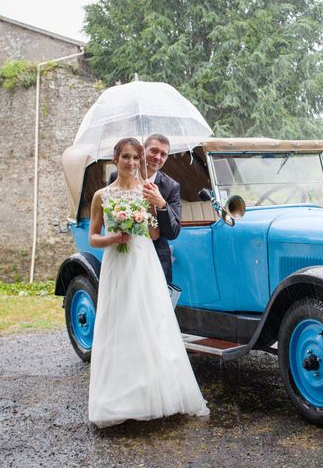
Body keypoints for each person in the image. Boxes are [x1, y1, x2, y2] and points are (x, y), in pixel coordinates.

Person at [88, 137, 209, 428]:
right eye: (126, 157)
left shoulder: (148, 191)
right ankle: (119, 399)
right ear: (116, 158)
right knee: (120, 324)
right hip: (118, 263)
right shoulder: (102, 195)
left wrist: (155, 206)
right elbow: (94, 236)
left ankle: (155, 394)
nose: (131, 163)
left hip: (145, 263)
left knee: (153, 324)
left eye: (134, 158)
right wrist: (115, 237)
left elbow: (156, 235)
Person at [108, 133, 181, 284]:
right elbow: (108, 215)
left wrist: (161, 204)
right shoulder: (118, 176)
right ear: (142, 151)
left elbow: (173, 232)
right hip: (125, 253)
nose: (158, 157)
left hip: (156, 255)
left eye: (163, 154)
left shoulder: (171, 187)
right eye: (153, 151)